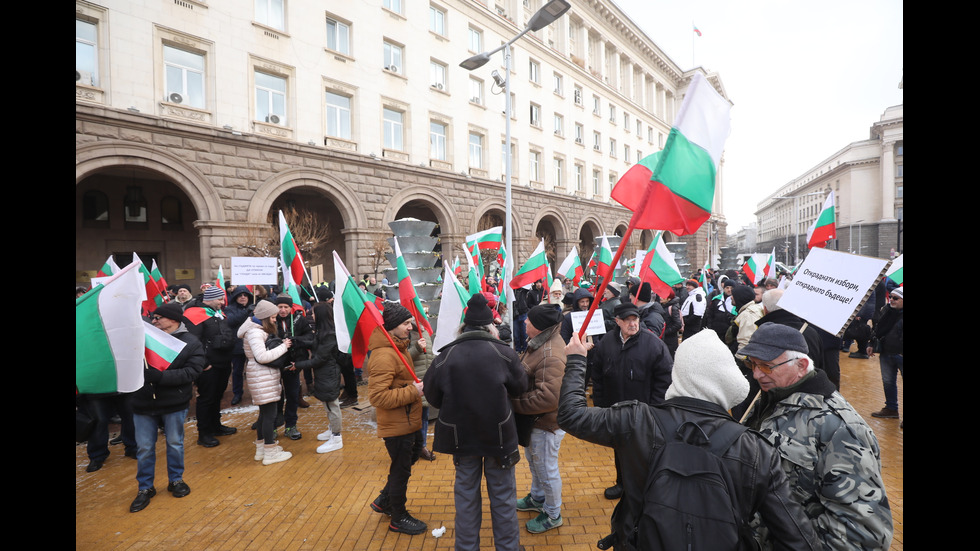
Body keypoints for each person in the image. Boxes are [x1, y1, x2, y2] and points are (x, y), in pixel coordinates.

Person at [558, 330, 820, 551]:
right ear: (729, 381)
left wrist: (577, 360)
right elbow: (795, 537)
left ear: (678, 373)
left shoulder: (636, 420)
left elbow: (571, 415)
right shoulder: (756, 449)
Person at [740, 323, 893, 550]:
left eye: (766, 366)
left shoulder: (840, 428)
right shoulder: (771, 399)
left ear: (801, 366)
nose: (756, 373)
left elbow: (863, 534)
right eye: (751, 363)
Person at [423, 293, 527, 550]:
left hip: (462, 440)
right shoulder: (504, 353)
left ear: (463, 327)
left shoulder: (445, 356)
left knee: (466, 498)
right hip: (499, 437)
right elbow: (520, 388)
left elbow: (432, 395)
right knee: (503, 498)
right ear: (490, 326)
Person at [590, 302, 673, 500]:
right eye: (627, 320)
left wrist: (654, 408)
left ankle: (646, 488)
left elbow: (665, 379)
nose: (632, 323)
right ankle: (622, 484)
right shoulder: (607, 343)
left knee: (644, 452)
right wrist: (601, 407)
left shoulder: (653, 344)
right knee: (620, 450)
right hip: (616, 411)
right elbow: (598, 377)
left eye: (635, 319)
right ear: (617, 321)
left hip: (644, 412)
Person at [129, 302, 206, 513]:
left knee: (175, 443)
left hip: (174, 403)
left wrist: (161, 377)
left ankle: (176, 480)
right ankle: (145, 488)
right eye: (153, 318)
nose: (153, 321)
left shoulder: (190, 342)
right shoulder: (142, 339)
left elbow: (192, 372)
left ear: (173, 319)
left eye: (158, 317)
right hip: (142, 402)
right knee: (144, 449)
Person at [366, 303, 427, 535]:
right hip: (396, 424)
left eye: (410, 323)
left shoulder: (398, 347)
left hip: (408, 420)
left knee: (411, 456)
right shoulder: (384, 355)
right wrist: (414, 391)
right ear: (391, 327)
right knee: (401, 470)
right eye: (406, 324)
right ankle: (398, 517)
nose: (410, 328)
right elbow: (378, 396)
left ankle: (384, 500)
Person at [513, 305, 567, 534]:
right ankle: (537, 498)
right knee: (535, 464)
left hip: (546, 424)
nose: (524, 323)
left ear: (539, 326)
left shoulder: (550, 353)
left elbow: (548, 398)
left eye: (528, 321)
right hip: (535, 422)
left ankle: (553, 513)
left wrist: (513, 403)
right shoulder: (541, 342)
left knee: (546, 468)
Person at [237, 299, 294, 465]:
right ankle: (270, 452)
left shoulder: (255, 329)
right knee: (269, 416)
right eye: (273, 317)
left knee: (264, 415)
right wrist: (284, 346)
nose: (275, 320)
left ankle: (261, 449)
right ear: (265, 317)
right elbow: (261, 357)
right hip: (262, 376)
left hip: (262, 376)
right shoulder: (255, 332)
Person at [185, 285, 237, 447]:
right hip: (208, 366)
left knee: (217, 396)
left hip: (222, 362)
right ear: (210, 299)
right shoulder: (194, 314)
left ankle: (216, 426)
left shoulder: (216, 313)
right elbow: (193, 342)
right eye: (220, 299)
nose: (223, 302)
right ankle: (204, 433)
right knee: (206, 399)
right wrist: (203, 363)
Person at [294, 301, 344, 454]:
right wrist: (298, 340)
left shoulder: (329, 335)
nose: (311, 315)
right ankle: (332, 429)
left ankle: (337, 438)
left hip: (328, 374)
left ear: (320, 315)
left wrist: (298, 365)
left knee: (332, 405)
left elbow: (319, 358)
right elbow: (316, 344)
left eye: (314, 313)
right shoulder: (323, 332)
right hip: (324, 374)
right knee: (327, 404)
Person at [274, 296, 314, 440]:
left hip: (293, 365)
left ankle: (291, 425)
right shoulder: (271, 321)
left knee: (292, 395)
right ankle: (273, 425)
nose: (283, 310)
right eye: (280, 307)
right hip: (275, 365)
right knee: (276, 396)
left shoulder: (299, 319)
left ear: (291, 308)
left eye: (286, 307)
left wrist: (296, 340)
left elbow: (310, 338)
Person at [868, 287, 904, 421]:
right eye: (891, 297)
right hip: (886, 352)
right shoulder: (887, 311)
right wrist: (871, 343)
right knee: (888, 382)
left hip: (900, 354)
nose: (892, 300)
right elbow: (877, 329)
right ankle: (891, 408)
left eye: (896, 298)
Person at [407, 325, 436, 461]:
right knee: (413, 418)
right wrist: (417, 348)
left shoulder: (423, 329)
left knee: (424, 417)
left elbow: (428, 357)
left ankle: (421, 447)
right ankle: (413, 447)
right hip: (412, 384)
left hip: (424, 382)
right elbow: (402, 359)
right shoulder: (405, 333)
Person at [224, 286, 255, 406]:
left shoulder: (254, 307)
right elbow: (230, 321)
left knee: (255, 370)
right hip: (238, 345)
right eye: (240, 295)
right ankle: (237, 393)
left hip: (253, 344)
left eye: (245, 295)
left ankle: (255, 393)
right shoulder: (229, 309)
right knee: (237, 371)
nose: (243, 297)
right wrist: (246, 312)